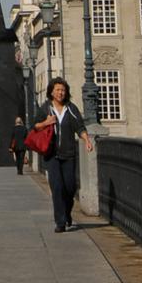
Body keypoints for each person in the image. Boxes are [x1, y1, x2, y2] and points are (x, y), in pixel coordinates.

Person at [33, 77, 93, 234]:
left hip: (68, 154)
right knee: (57, 187)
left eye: (63, 90)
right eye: (58, 90)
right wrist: (46, 122)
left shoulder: (71, 109)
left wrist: (86, 140)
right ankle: (60, 222)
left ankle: (66, 213)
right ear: (52, 92)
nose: (60, 93)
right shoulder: (46, 108)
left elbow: (79, 126)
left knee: (70, 187)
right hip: (51, 155)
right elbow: (35, 126)